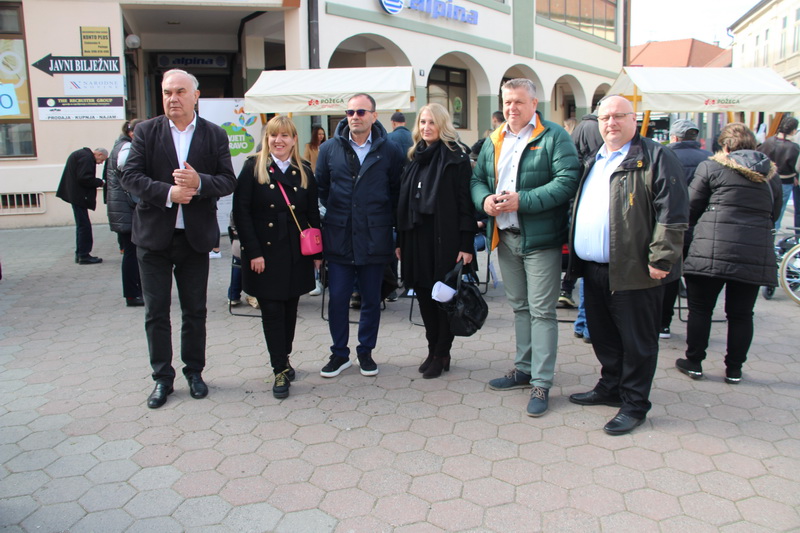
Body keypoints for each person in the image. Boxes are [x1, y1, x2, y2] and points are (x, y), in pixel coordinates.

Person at [567, 95, 688, 436]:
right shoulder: (595, 159)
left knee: (637, 342)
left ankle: (635, 404)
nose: (611, 123)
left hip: (636, 269)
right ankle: (611, 386)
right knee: (603, 335)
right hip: (594, 268)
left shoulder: (656, 157)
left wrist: (662, 258)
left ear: (634, 119)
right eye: (605, 117)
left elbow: (673, 211)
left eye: (619, 116)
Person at [121, 69, 237, 409]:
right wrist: (168, 193)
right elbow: (130, 176)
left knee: (194, 311)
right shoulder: (147, 131)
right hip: (153, 238)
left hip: (194, 239)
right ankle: (162, 378)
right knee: (156, 312)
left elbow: (227, 180)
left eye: (180, 92)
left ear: (195, 95)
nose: (173, 98)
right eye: (167, 92)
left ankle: (194, 372)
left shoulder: (214, 134)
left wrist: (199, 183)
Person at [471, 78, 580, 417]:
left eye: (518, 101)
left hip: (541, 240)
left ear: (534, 104)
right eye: (507, 102)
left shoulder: (553, 136)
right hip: (506, 237)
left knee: (542, 311)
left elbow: (567, 181)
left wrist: (523, 200)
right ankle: (523, 369)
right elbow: (477, 180)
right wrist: (484, 201)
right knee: (519, 307)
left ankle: (541, 382)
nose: (511, 108)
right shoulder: (495, 138)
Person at [676, 123, 781, 384]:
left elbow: (690, 207)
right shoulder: (770, 175)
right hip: (754, 252)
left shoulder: (711, 167)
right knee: (742, 314)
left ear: (724, 146)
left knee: (701, 309)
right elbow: (774, 213)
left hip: (710, 248)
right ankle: (734, 369)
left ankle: (694, 362)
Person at [315, 93, 404, 378]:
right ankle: (339, 354)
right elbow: (322, 188)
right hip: (339, 236)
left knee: (371, 300)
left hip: (374, 238)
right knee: (338, 299)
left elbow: (396, 193)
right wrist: (339, 215)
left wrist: (391, 230)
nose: (355, 117)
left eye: (361, 112)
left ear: (374, 116)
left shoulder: (390, 151)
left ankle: (365, 352)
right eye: (350, 112)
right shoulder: (329, 149)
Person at [233, 116, 321, 399]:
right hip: (265, 254)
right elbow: (241, 214)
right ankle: (279, 368)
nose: (278, 141)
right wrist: (254, 252)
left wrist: (317, 252)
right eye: (273, 135)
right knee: (271, 311)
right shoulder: (253, 167)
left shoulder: (303, 170)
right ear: (267, 139)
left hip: (296, 254)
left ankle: (284, 356)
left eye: (284, 135)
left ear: (294, 139)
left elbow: (311, 214)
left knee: (290, 310)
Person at [396, 103, 474, 379]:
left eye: (432, 122)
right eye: (423, 122)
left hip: (445, 239)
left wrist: (466, 244)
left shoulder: (456, 158)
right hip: (415, 238)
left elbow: (465, 204)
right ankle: (432, 350)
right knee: (423, 295)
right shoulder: (413, 157)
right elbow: (403, 202)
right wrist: (400, 240)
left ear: (442, 125)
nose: (426, 127)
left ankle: (442, 353)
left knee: (443, 297)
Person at [658, 118, 712, 339]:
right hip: (701, 227)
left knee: (670, 275)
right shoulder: (709, 158)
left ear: (674, 137)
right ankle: (697, 326)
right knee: (697, 277)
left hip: (671, 224)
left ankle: (663, 324)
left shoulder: (664, 155)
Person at [106, 119, 145, 306]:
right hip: (127, 209)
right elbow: (128, 172)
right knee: (132, 253)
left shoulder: (121, 145)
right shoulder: (127, 148)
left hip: (123, 207)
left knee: (132, 252)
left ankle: (136, 292)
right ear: (132, 133)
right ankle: (133, 294)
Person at [56, 146, 108, 264]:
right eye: (102, 160)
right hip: (79, 196)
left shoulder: (82, 155)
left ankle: (80, 254)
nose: (101, 163)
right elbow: (84, 178)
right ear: (99, 154)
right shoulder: (87, 158)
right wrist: (100, 182)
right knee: (84, 226)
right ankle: (84, 255)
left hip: (75, 194)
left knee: (82, 225)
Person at [757, 115, 799, 231]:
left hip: (767, 179)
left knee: (765, 208)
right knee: (778, 211)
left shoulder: (768, 142)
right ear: (793, 131)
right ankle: (773, 234)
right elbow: (796, 167)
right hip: (785, 181)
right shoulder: (794, 147)